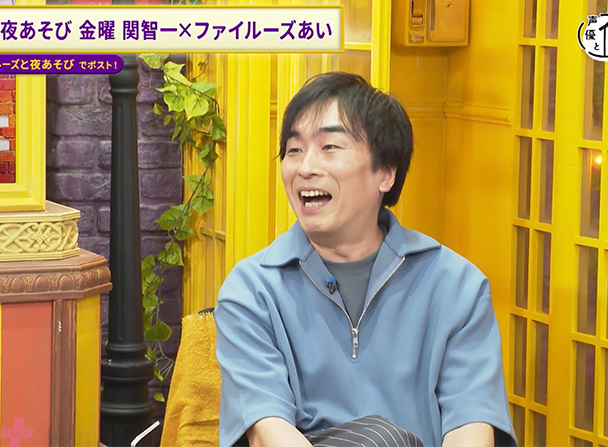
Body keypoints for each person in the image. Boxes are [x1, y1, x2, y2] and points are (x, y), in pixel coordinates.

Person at [213, 72, 517, 447]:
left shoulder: (456, 285)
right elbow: (268, 432)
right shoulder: (251, 290)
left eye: (329, 147)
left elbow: (471, 427)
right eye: (294, 150)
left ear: (385, 173)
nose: (305, 167)